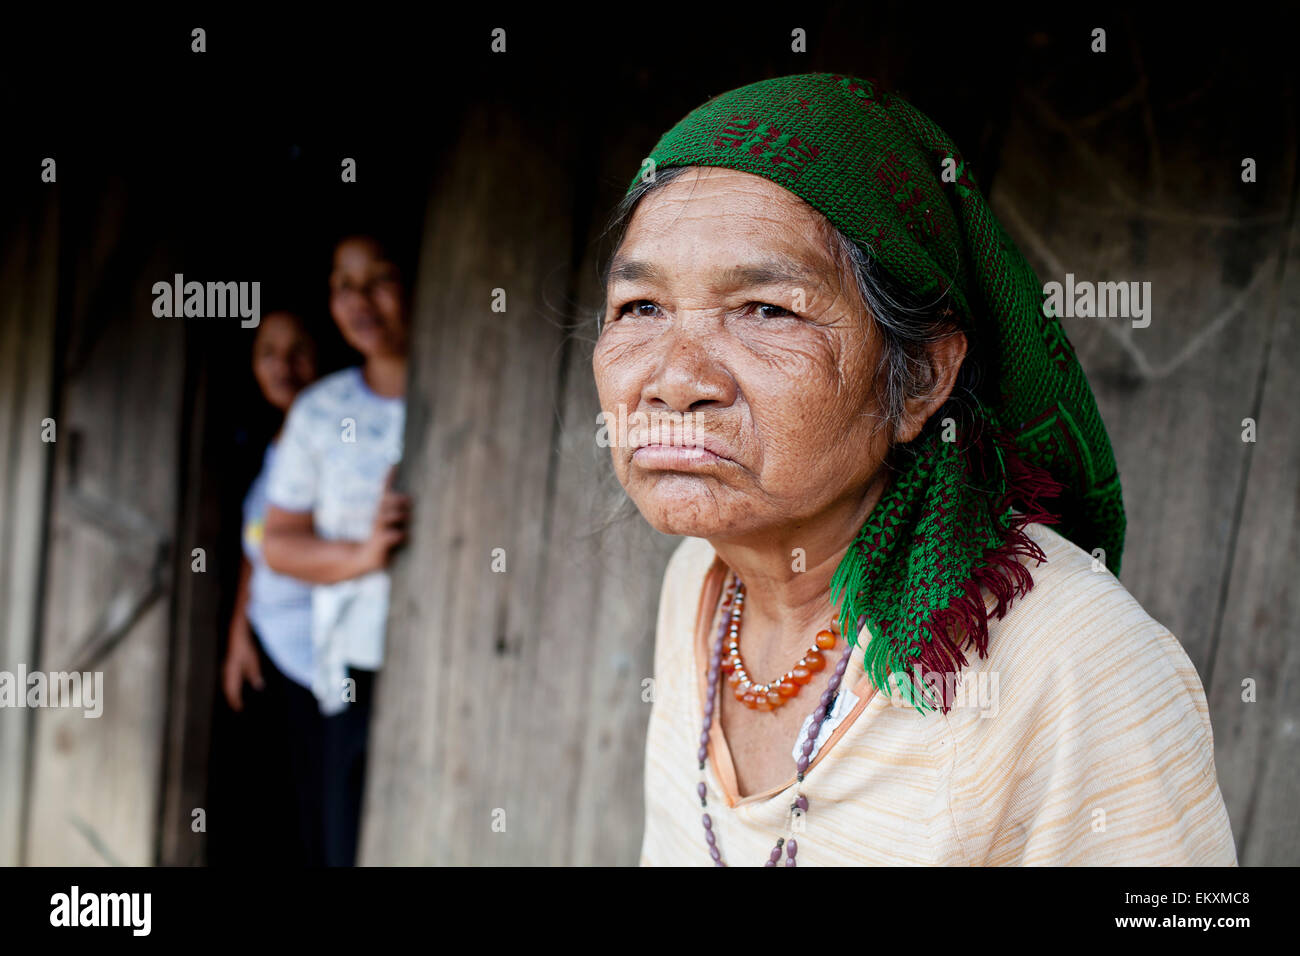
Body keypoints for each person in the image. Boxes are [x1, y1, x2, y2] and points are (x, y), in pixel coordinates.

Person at [593, 73, 1238, 866]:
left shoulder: (1070, 664)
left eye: (767, 309)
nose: (673, 379)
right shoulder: (701, 582)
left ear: (921, 380)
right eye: (640, 308)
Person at [262, 233, 411, 867]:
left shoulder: (481, 389)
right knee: (347, 838)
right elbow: (279, 544)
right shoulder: (322, 413)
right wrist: (363, 554)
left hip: (470, 647)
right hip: (357, 656)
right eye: (343, 285)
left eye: (377, 280)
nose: (359, 301)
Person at [221, 308, 325, 865]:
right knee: (271, 804)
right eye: (268, 353)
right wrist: (240, 633)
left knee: (316, 811)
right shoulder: (269, 446)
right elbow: (255, 547)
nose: (283, 366)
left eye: (298, 350)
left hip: (318, 662)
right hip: (269, 649)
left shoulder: (336, 435)